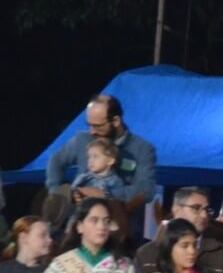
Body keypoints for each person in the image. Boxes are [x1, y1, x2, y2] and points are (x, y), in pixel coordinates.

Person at [44, 94, 157, 239]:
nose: (92, 131)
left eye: (97, 126)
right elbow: (56, 160)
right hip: (79, 227)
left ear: (116, 121)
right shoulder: (82, 140)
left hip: (118, 230)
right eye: (89, 125)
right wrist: (58, 195)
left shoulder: (142, 149)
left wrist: (106, 195)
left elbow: (146, 190)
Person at [134, 187, 223, 273]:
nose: (204, 215)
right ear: (176, 210)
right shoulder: (146, 254)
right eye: (196, 208)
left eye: (206, 209)